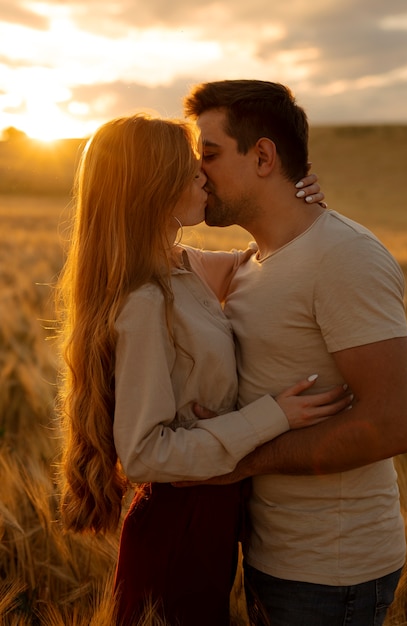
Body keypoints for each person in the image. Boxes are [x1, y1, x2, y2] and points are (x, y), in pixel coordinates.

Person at [55, 112, 350, 626]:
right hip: (177, 529)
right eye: (189, 167)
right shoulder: (146, 301)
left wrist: (295, 202)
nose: (202, 175)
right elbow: (145, 455)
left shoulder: (182, 265)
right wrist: (271, 417)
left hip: (212, 522)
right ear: (153, 185)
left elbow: (263, 260)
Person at [181, 79, 407, 626]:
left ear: (263, 155)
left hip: (333, 573)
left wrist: (235, 458)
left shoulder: (343, 257)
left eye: (209, 155)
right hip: (270, 556)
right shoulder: (248, 263)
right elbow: (135, 254)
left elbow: (395, 423)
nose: (197, 173)